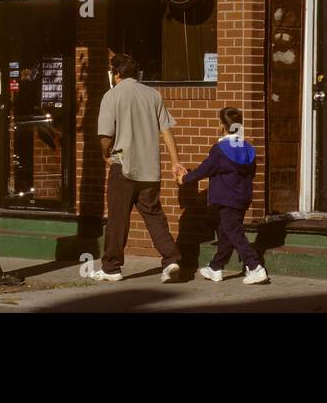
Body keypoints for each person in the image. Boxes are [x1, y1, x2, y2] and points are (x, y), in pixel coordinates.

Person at [92, 53, 187, 283]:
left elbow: (106, 135)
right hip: (149, 165)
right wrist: (175, 162)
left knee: (117, 218)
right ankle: (171, 259)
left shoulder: (112, 96)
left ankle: (111, 267)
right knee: (154, 216)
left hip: (122, 160)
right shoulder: (152, 94)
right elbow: (166, 131)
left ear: (116, 73)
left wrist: (106, 155)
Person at [179, 107, 268, 284]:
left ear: (222, 126)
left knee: (234, 233)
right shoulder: (248, 148)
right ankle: (216, 267)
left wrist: (185, 178)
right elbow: (252, 174)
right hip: (243, 197)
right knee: (226, 233)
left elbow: (204, 170)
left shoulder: (220, 149)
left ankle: (254, 266)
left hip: (226, 198)